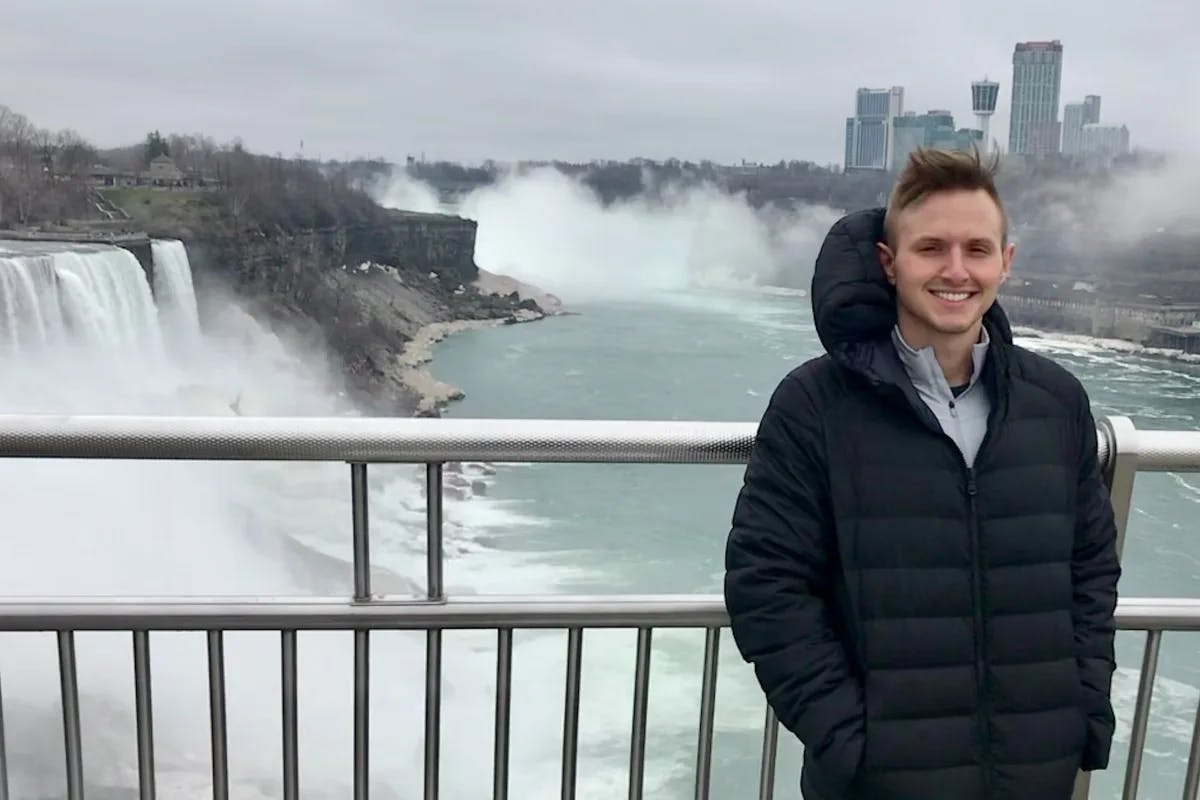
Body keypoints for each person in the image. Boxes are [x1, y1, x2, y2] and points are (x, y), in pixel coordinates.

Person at [723, 147, 1121, 800]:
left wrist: (1080, 709)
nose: (957, 271)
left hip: (1034, 775)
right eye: (932, 248)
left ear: (1005, 261)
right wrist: (852, 738)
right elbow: (768, 588)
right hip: (877, 782)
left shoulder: (1056, 402)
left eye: (977, 249)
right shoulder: (815, 406)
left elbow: (1090, 567)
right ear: (890, 262)